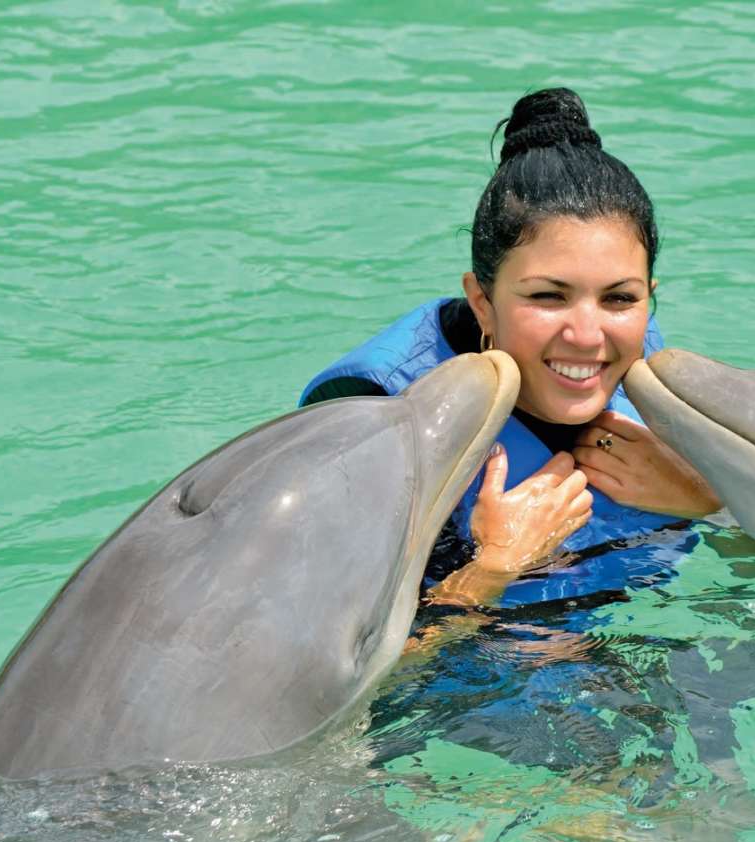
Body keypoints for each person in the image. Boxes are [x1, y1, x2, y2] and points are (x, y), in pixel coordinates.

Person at [299, 88, 720, 608]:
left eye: (619, 298)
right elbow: (322, 666)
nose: (589, 336)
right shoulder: (372, 416)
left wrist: (703, 498)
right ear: (482, 300)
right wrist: (494, 567)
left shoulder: (649, 374)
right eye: (548, 296)